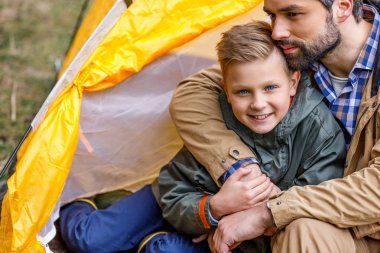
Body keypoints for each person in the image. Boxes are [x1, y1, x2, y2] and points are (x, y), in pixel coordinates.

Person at [169, 0, 380, 252]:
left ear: (343, 7)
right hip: (326, 222)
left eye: (292, 14)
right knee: (304, 229)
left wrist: (267, 211)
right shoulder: (300, 54)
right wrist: (243, 170)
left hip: (371, 225)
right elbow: (194, 91)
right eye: (272, 16)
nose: (277, 31)